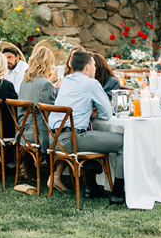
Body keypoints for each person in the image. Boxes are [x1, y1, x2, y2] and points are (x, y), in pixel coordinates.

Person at [50, 50, 125, 204]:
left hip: (54, 139)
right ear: (87, 67)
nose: (95, 69)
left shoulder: (66, 81)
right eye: (94, 66)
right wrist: (92, 113)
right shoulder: (91, 83)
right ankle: (118, 192)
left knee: (94, 132)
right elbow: (107, 113)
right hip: (72, 139)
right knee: (125, 142)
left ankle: (93, 186)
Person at [18, 46, 62, 187]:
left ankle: (27, 165)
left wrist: (51, 86)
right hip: (38, 133)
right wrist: (58, 88)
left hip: (23, 131)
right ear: (47, 63)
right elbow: (50, 112)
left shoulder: (25, 80)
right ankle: (56, 175)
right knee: (63, 134)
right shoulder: (45, 84)